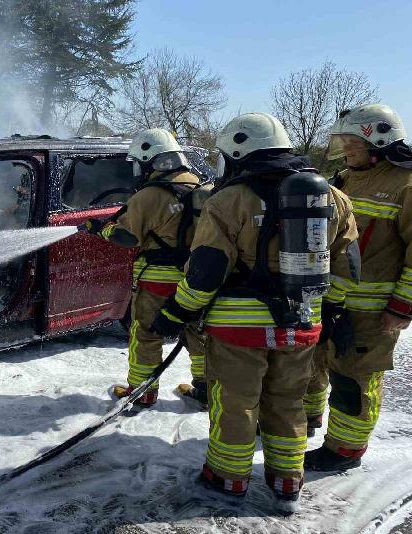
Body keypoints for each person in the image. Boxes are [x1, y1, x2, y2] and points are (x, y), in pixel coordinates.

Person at [148, 113, 359, 512]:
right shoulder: (332, 197)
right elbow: (347, 265)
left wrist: (175, 312)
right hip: (301, 322)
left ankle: (227, 478)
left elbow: (206, 270)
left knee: (236, 401)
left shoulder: (228, 200)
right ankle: (286, 481)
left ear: (240, 152)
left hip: (238, 328)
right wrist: (332, 312)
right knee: (287, 401)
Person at [303, 104, 412, 471]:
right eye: (344, 142)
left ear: (378, 141)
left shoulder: (405, 185)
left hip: (372, 310)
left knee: (354, 377)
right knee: (313, 363)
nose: (346, 149)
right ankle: (307, 420)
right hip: (332, 300)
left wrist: (402, 306)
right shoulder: (346, 178)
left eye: (352, 143)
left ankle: (345, 450)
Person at [85, 128, 208, 409]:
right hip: (194, 280)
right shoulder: (199, 187)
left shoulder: (150, 195)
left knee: (146, 334)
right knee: (196, 334)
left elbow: (128, 237)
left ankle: (142, 392)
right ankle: (206, 389)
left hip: (157, 279)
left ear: (149, 161)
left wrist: (101, 230)